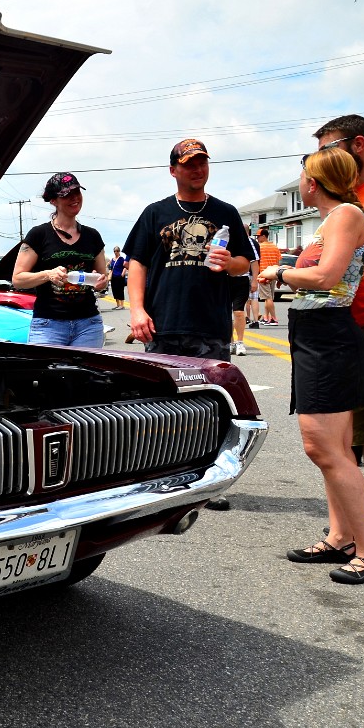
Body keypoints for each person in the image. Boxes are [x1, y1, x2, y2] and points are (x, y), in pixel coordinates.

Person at [259, 146, 364, 583]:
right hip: (317, 337)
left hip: (331, 339)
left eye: (302, 177)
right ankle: (341, 537)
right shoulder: (333, 221)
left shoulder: (347, 214)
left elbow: (325, 278)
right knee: (336, 449)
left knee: (325, 449)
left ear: (312, 183)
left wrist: (280, 274)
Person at [123, 140, 251, 510]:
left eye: (202, 163)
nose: (197, 169)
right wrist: (136, 311)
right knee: (160, 402)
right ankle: (160, 473)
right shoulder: (155, 212)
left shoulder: (226, 212)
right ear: (173, 170)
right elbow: (137, 264)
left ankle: (209, 478)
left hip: (210, 323)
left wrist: (230, 263)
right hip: (163, 322)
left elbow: (245, 262)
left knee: (211, 403)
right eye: (189, 164)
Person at [313, 115, 364, 542]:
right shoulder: (346, 200)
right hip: (350, 320)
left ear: (358, 143)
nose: (325, 159)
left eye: (330, 148)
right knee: (362, 423)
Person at [12, 172, 109, 347]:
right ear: (53, 201)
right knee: (48, 374)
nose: (75, 198)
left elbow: (103, 278)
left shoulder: (92, 236)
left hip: (88, 324)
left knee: (86, 375)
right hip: (49, 325)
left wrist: (101, 282)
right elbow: (17, 279)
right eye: (66, 195)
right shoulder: (38, 235)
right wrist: (48, 274)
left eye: (77, 192)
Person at [229, 224, 260, 356]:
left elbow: (254, 261)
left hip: (241, 279)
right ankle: (230, 342)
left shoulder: (247, 242)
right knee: (225, 313)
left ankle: (240, 342)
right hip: (225, 279)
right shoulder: (224, 238)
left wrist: (254, 280)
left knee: (239, 312)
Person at [255, 228, 282, 325]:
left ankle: (274, 318)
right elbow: (278, 262)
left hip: (263, 275)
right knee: (268, 297)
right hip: (273, 274)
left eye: (258, 236)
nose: (257, 238)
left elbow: (256, 262)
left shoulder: (259, 247)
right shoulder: (275, 247)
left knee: (267, 298)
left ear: (264, 236)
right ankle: (266, 318)